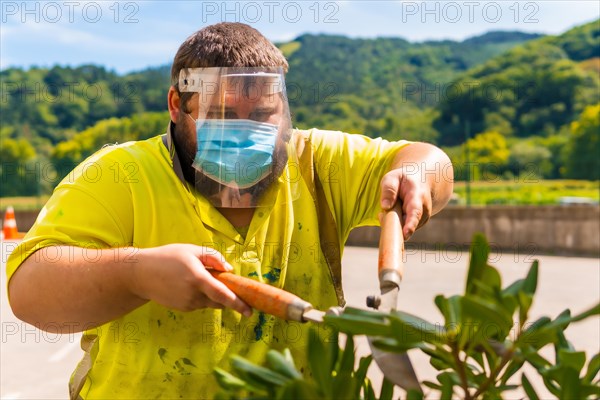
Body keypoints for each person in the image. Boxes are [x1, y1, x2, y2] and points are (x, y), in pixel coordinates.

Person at [7, 22, 453, 399]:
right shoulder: (119, 174)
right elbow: (30, 291)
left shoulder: (318, 163)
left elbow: (427, 158)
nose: (245, 133)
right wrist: (137, 273)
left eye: (263, 115)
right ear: (178, 106)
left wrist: (416, 173)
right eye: (222, 115)